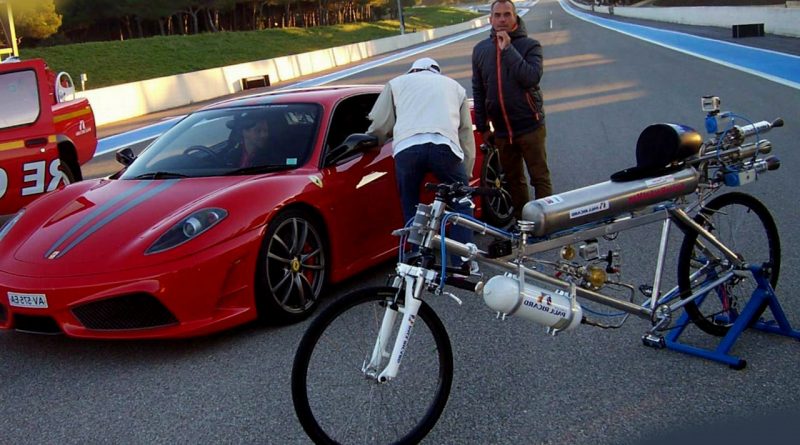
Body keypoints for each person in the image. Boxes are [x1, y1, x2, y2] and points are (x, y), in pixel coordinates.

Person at [366, 57, 477, 272]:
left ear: (412, 71)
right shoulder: (454, 87)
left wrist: (373, 141)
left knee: (411, 205)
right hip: (445, 146)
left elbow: (380, 124)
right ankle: (462, 261)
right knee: (461, 202)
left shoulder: (396, 83)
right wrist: (468, 169)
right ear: (437, 71)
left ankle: (417, 260)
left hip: (408, 149)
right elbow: (466, 133)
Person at [472, 0, 552, 220]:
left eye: (507, 14)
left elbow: (530, 78)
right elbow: (478, 90)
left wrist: (507, 49)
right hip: (501, 131)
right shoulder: (480, 50)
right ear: (490, 19)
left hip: (529, 125)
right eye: (497, 15)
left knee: (539, 177)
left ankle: (547, 222)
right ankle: (522, 224)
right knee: (513, 180)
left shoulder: (530, 46)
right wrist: (482, 127)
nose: (502, 19)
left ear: (515, 17)